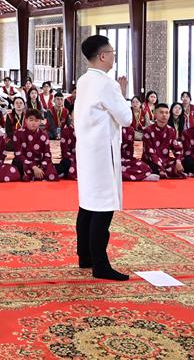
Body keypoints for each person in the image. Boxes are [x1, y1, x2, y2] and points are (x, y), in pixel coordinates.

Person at [73, 35, 132, 281]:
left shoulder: (84, 80)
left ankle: (85, 256)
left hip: (86, 149)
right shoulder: (108, 84)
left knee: (87, 204)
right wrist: (123, 94)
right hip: (102, 153)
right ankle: (100, 264)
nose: (114, 57)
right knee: (103, 207)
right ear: (103, 55)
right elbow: (126, 119)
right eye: (112, 52)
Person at [140, 103, 185, 179]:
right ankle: (160, 171)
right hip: (151, 160)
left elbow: (177, 149)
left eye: (166, 113)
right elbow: (150, 152)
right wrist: (160, 166)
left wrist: (178, 161)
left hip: (165, 160)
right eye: (161, 112)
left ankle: (162, 172)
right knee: (147, 167)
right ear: (155, 114)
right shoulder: (148, 130)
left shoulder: (171, 130)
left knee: (183, 164)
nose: (164, 115)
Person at [14, 109, 58, 181]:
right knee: (17, 167)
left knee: (52, 172)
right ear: (26, 121)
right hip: (23, 162)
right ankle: (32, 175)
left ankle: (35, 174)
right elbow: (18, 154)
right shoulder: (18, 134)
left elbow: (47, 154)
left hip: (39, 162)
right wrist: (33, 167)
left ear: (40, 122)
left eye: (37, 120)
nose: (34, 123)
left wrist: (41, 167)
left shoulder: (44, 135)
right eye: (31, 120)